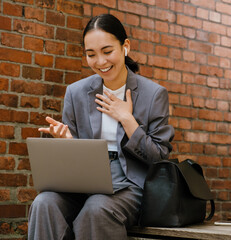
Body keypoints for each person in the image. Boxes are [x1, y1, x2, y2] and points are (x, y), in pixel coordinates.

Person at [28, 13, 174, 240]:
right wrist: (67, 142)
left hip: (128, 184)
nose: (100, 62)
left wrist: (127, 119)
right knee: (43, 203)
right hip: (83, 179)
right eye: (91, 54)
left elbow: (158, 157)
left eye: (107, 52)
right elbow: (72, 156)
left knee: (97, 209)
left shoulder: (153, 94)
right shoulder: (76, 92)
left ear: (125, 46)